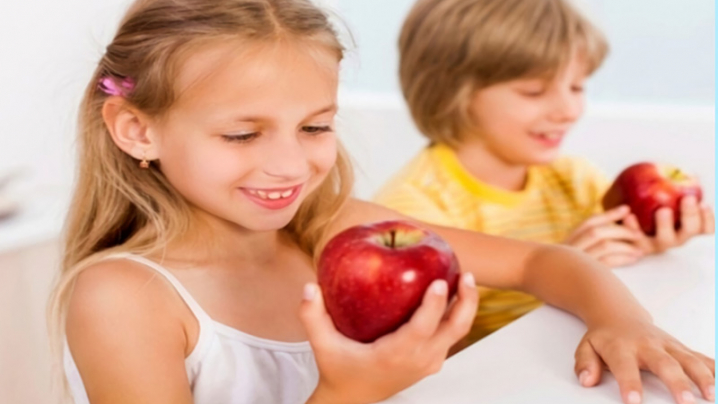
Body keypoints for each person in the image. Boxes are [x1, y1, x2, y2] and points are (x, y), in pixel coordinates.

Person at [48, 1, 714, 404]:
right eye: (242, 133)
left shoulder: (328, 228)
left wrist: (624, 322)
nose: (290, 163)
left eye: (315, 126)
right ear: (138, 129)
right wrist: (351, 392)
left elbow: (545, 262)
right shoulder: (124, 298)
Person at [374, 0, 714, 344]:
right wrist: (567, 278)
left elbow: (626, 273)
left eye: (577, 87)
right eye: (534, 91)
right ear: (452, 93)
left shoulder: (574, 179)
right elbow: (441, 355)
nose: (569, 111)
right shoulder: (412, 213)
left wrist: (646, 242)